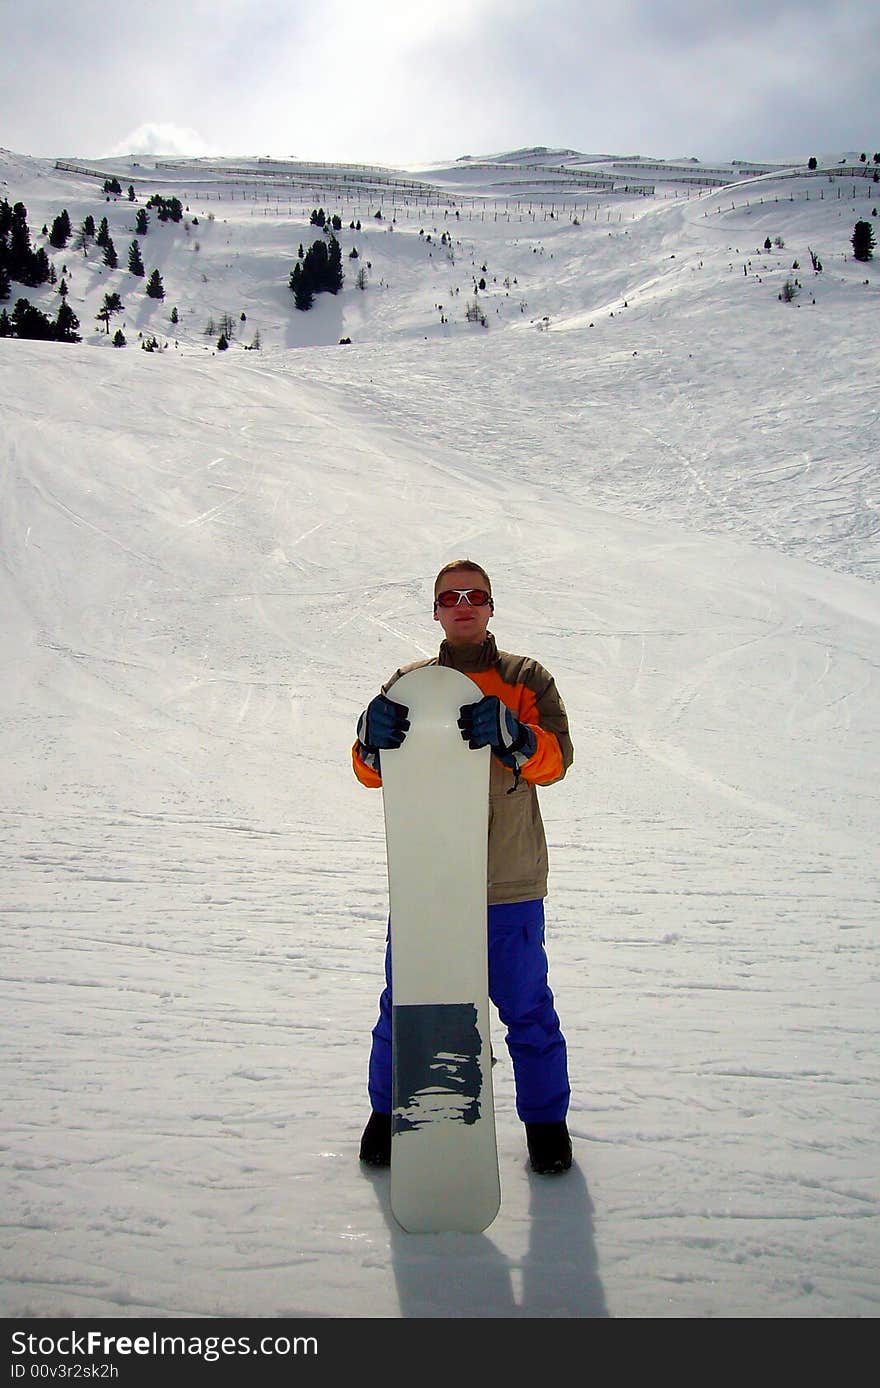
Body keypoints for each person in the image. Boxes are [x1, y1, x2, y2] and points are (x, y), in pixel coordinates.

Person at [352, 560, 574, 1175]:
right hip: (430, 883)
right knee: (408, 1006)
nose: (463, 605)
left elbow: (556, 760)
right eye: (451, 597)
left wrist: (519, 738)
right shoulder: (411, 684)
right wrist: (369, 741)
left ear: (492, 605)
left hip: (507, 882)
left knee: (526, 1006)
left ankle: (547, 1125)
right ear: (436, 611)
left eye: (475, 595)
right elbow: (372, 773)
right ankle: (386, 1115)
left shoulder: (525, 679)